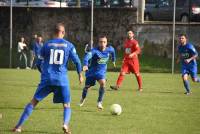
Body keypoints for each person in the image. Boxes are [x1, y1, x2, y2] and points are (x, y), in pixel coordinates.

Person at [12, 23, 83, 134]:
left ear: (54, 32)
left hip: (47, 78)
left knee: (33, 102)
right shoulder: (69, 45)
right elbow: (77, 61)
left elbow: (38, 63)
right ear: (63, 33)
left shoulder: (46, 45)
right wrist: (80, 75)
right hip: (62, 79)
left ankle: (18, 127)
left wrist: (44, 74)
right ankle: (65, 124)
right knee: (66, 104)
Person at [79, 35, 116, 109]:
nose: (102, 44)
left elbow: (113, 53)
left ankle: (99, 102)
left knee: (103, 83)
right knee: (87, 87)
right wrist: (85, 65)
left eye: (104, 42)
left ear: (106, 43)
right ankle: (83, 98)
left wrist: (113, 60)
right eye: (101, 42)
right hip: (91, 72)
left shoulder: (110, 49)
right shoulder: (94, 51)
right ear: (98, 43)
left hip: (101, 72)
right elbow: (86, 57)